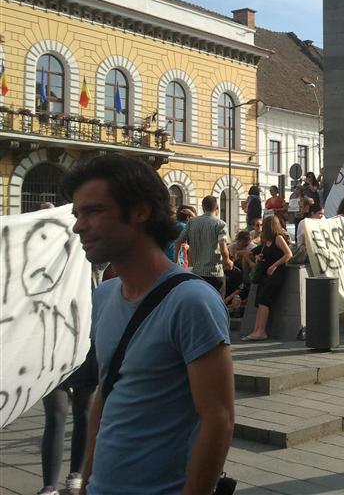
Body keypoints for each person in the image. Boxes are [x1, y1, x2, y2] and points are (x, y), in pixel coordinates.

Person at [64, 153, 233, 494]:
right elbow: (107, 394)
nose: (79, 225)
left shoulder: (191, 301)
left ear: (140, 212)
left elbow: (218, 420)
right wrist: (86, 481)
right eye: (77, 213)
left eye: (93, 211)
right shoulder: (105, 296)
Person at [37, 348, 98, 495]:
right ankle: (50, 486)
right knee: (56, 415)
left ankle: (76, 473)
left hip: (85, 349)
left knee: (83, 414)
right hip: (52, 352)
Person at [242, 215, 293, 341]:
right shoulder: (266, 242)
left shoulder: (278, 239)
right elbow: (256, 254)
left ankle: (261, 330)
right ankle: (257, 329)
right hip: (266, 275)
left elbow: (288, 254)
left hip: (276, 275)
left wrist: (274, 266)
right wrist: (257, 259)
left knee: (265, 301)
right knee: (260, 301)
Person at [175, 195, 234, 297]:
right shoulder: (220, 224)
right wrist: (227, 261)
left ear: (203, 208)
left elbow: (179, 240)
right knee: (217, 303)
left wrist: (175, 260)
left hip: (197, 273)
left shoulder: (192, 222)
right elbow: (223, 248)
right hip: (214, 273)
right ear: (217, 208)